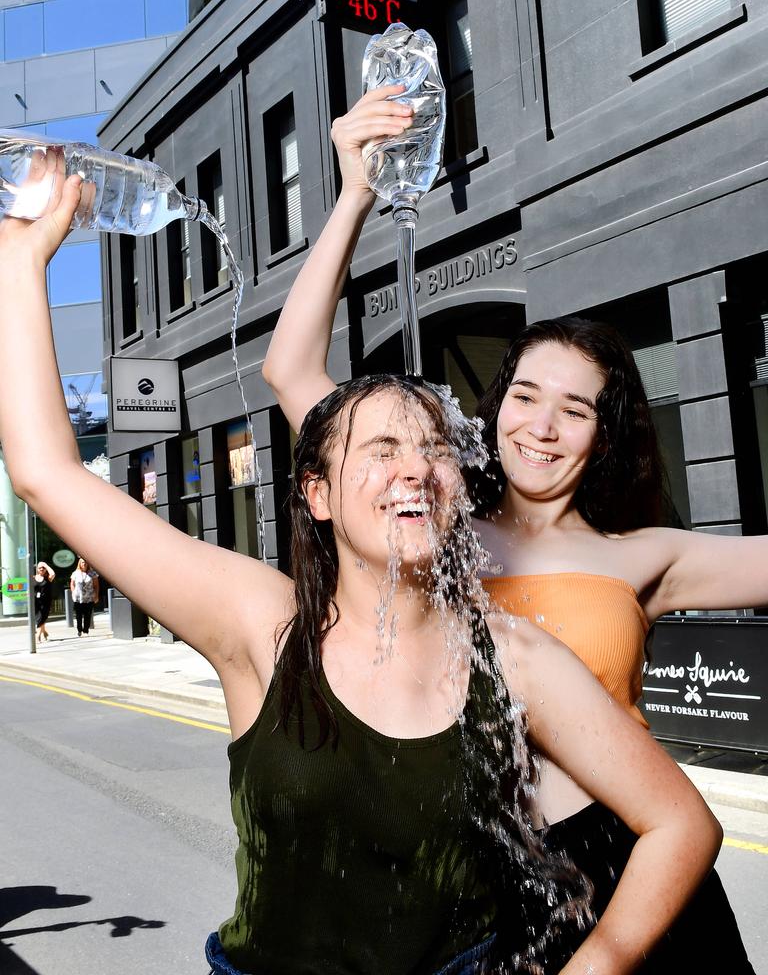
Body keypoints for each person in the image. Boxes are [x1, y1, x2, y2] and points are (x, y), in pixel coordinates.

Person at [0, 173, 724, 972]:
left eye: (434, 450)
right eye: (381, 450)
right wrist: (22, 267)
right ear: (319, 494)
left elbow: (682, 823)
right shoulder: (262, 626)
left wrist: (603, 959)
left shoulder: (512, 658)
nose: (413, 469)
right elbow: (48, 475)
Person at [262, 88, 758, 971]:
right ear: (493, 412)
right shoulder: (429, 523)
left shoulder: (647, 557)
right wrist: (353, 195)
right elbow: (291, 366)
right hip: (491, 883)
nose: (542, 425)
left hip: (635, 859)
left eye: (577, 409)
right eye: (525, 396)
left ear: (606, 434)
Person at [70, 557, 99, 636]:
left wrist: (96, 595)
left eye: (86, 562)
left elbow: (96, 586)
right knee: (78, 616)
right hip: (78, 598)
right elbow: (72, 584)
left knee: (87, 615)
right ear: (80, 563)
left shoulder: (93, 573)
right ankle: (79, 630)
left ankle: (85, 631)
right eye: (82, 562)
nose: (84, 564)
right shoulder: (75, 573)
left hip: (89, 598)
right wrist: (73, 593)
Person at [33, 561, 55, 642]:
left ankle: (38, 635)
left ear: (45, 569)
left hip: (46, 601)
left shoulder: (48, 578)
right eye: (40, 567)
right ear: (37, 569)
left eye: (43, 568)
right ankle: (44, 632)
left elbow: (53, 573)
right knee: (39, 618)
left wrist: (45, 564)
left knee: (42, 617)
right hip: (36, 602)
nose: (42, 569)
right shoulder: (33, 578)